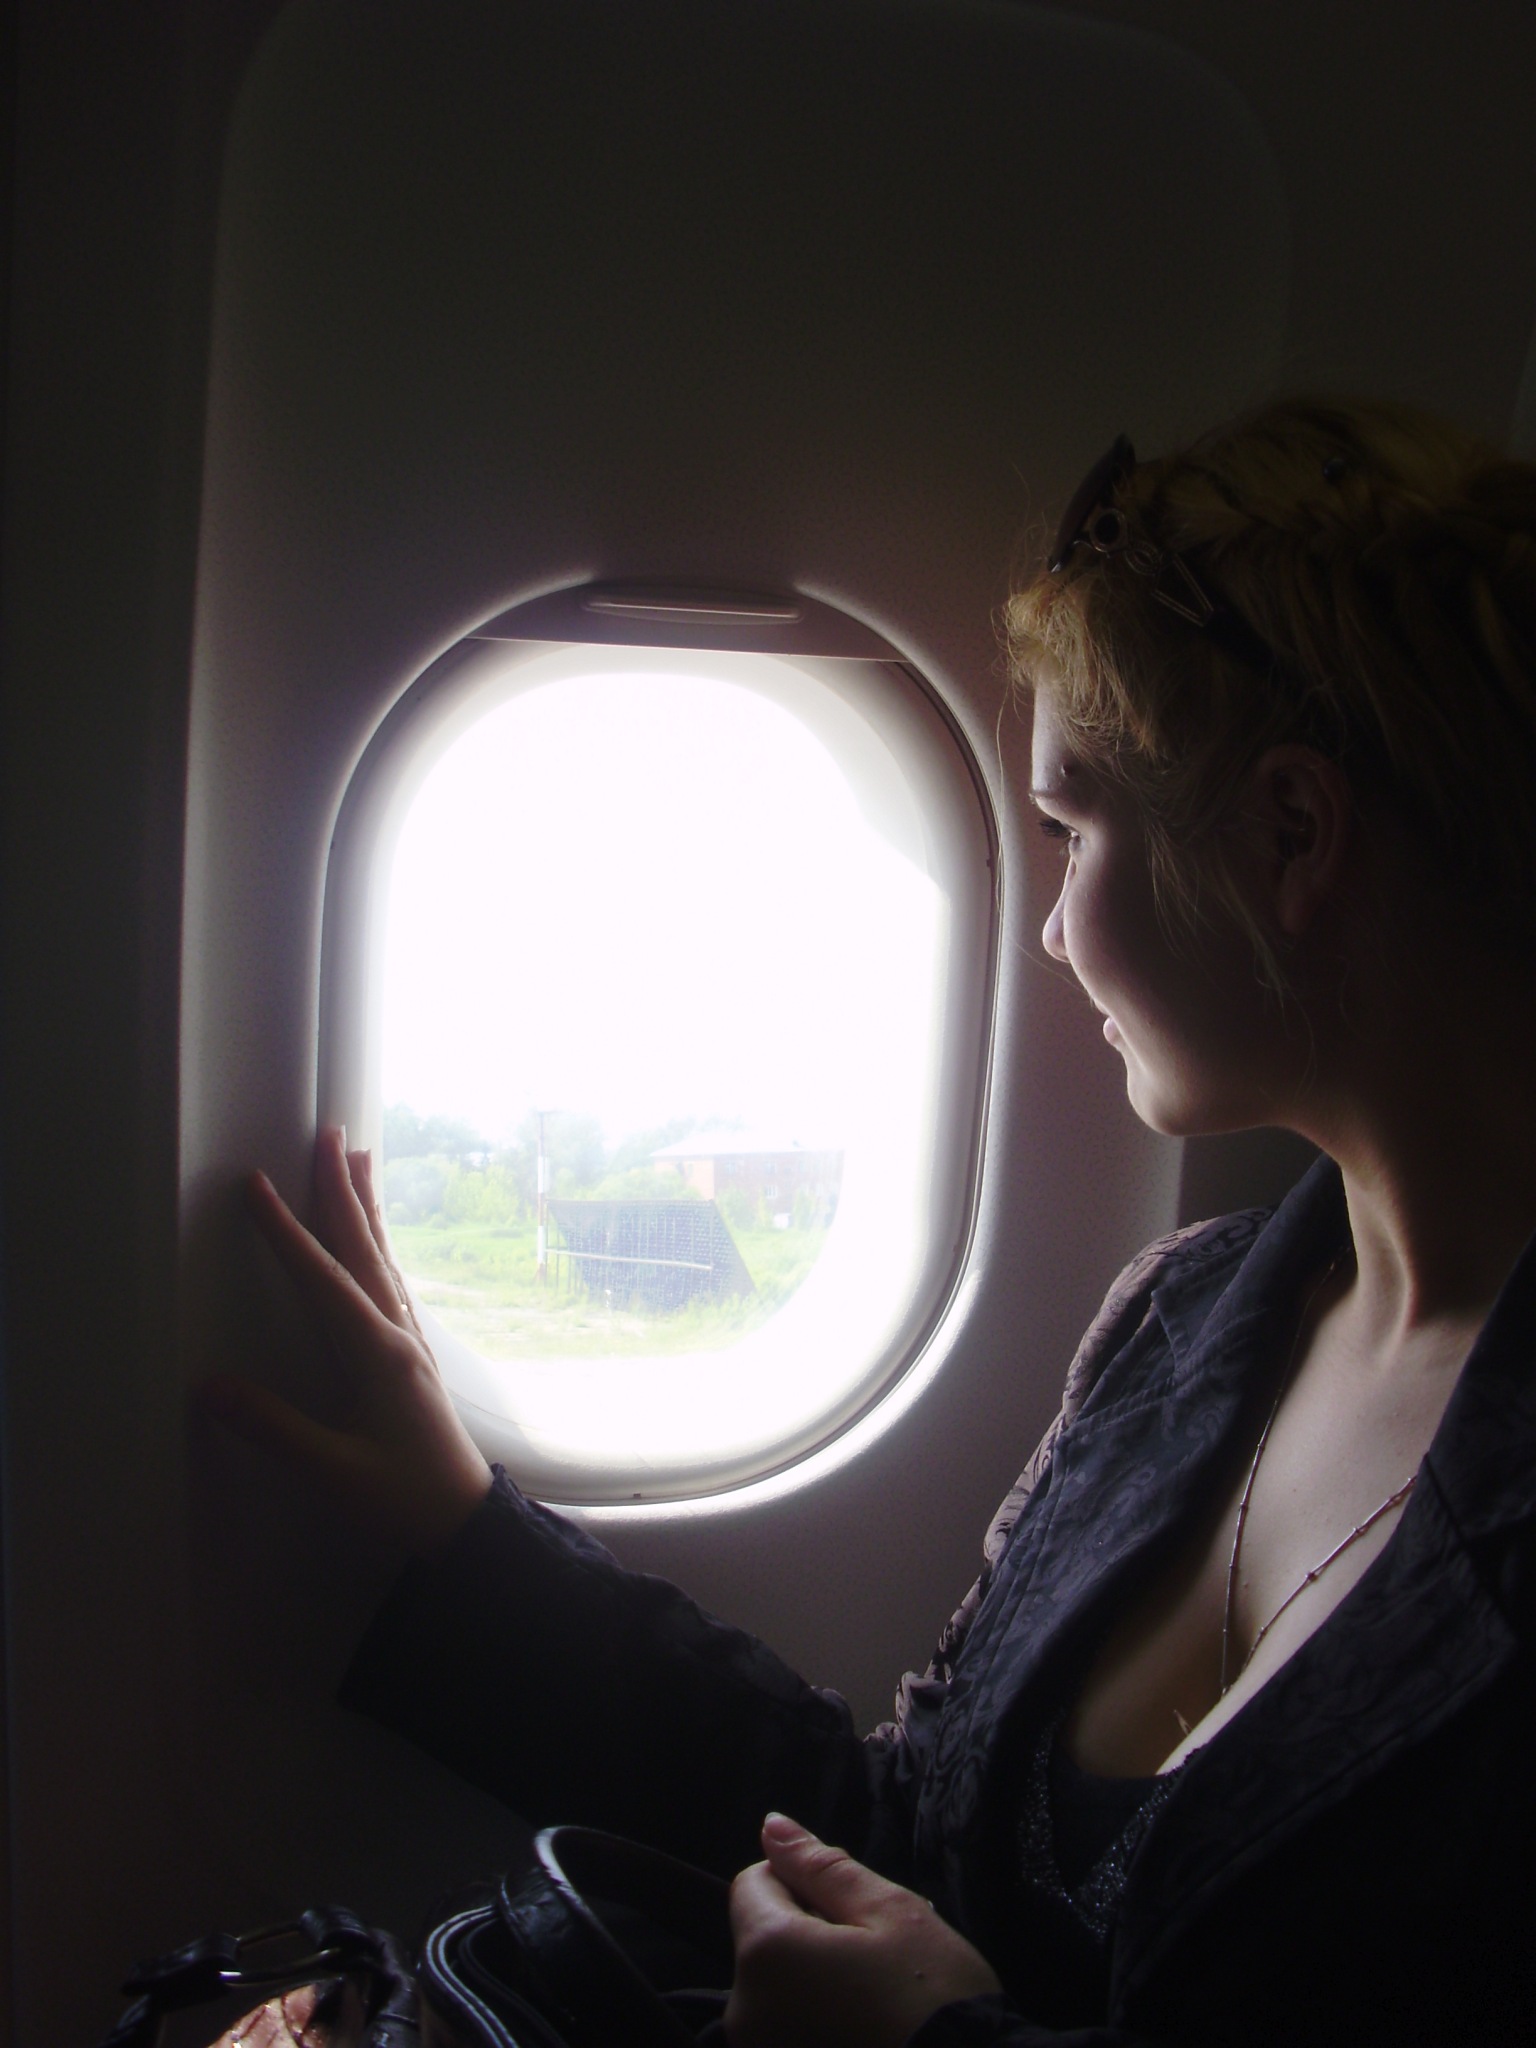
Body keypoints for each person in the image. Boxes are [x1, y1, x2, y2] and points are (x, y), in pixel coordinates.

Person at [205, 396, 1536, 2045]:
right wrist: (469, 1531)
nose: (1050, 930)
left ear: (1291, 833)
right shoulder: (1193, 1321)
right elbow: (906, 1840)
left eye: (1074, 827)